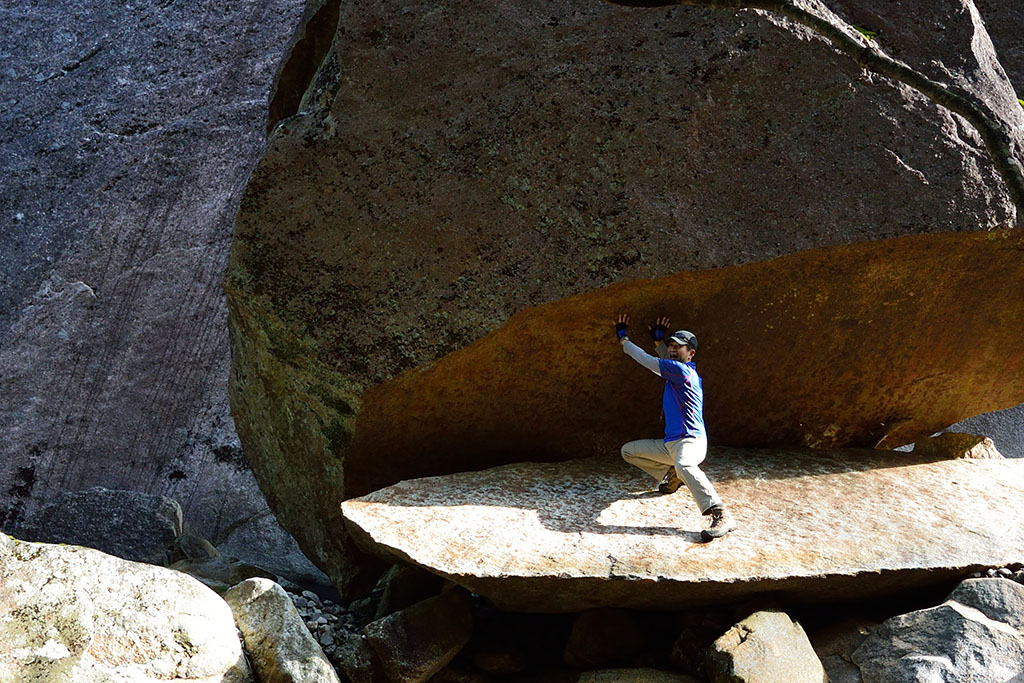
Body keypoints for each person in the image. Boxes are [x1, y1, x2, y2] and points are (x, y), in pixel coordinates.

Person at [614, 313, 736, 541]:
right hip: (671, 444)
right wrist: (660, 343)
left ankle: (720, 513)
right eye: (671, 345)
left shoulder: (682, 372)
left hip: (691, 441)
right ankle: (672, 476)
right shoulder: (679, 371)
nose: (672, 349)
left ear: (691, 353)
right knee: (628, 451)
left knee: (684, 463)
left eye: (678, 347)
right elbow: (665, 361)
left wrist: (624, 341)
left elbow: (648, 361)